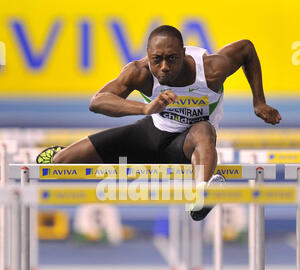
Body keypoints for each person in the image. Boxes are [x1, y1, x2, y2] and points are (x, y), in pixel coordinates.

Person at [36, 25, 281, 220]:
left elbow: (247, 49)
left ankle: (201, 195)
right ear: (148, 57)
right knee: (59, 163)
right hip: (151, 134)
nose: (164, 67)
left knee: (204, 130)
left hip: (188, 145)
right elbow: (97, 101)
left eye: (172, 59)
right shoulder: (139, 72)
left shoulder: (210, 71)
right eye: (157, 59)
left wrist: (259, 102)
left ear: (184, 54)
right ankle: (62, 154)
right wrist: (145, 107)